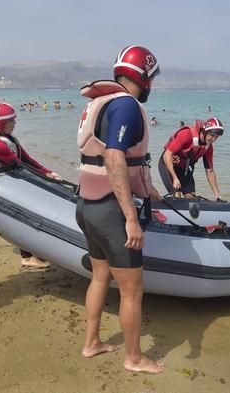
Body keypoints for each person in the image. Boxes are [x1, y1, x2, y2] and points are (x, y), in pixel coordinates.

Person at [75, 45, 164, 374]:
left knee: (99, 277)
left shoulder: (101, 103)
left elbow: (115, 160)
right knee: (132, 291)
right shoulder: (126, 106)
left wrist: (149, 188)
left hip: (86, 205)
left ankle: (91, 343)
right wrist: (130, 218)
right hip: (111, 212)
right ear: (144, 76)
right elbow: (114, 157)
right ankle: (134, 358)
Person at [0, 100, 60, 268]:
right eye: (11, 121)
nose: (15, 123)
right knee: (23, 216)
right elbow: (21, 165)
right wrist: (46, 180)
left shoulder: (5, 139)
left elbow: (27, 158)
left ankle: (33, 253)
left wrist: (48, 172)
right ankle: (27, 257)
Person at [158, 117, 224, 200]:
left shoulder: (208, 147)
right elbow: (167, 155)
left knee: (191, 198)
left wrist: (217, 194)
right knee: (177, 196)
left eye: (217, 137)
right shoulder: (187, 134)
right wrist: (175, 178)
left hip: (183, 168)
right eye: (212, 135)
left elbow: (209, 171)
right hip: (167, 165)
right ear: (205, 131)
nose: (213, 139)